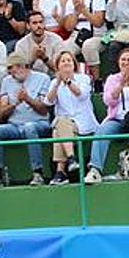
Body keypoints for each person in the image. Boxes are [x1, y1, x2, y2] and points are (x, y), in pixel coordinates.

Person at [85, 46, 129, 184]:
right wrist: (119, 86)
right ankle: (95, 170)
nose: (126, 63)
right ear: (118, 62)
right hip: (117, 119)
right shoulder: (112, 79)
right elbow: (108, 101)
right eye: (123, 60)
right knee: (102, 130)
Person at [0, 53, 51, 187]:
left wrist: (27, 99)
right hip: (14, 126)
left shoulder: (43, 79)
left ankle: (38, 173)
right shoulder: (7, 81)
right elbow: (2, 114)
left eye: (14, 68)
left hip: (39, 123)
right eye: (9, 68)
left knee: (30, 127)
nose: (11, 71)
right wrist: (15, 103)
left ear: (24, 66)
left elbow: (43, 109)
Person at [45, 49, 98, 183]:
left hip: (82, 122)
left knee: (58, 129)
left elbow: (82, 95)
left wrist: (68, 81)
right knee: (60, 124)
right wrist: (58, 83)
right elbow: (48, 101)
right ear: (58, 66)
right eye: (63, 61)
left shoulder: (83, 78)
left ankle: (61, 170)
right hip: (65, 124)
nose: (66, 63)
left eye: (69, 60)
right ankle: (69, 161)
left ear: (74, 64)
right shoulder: (54, 82)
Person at [64, 0, 106, 83]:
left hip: (96, 34)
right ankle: (73, 78)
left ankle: (97, 80)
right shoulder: (70, 1)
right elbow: (68, 27)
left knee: (88, 46)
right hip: (77, 34)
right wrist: (76, 13)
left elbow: (98, 23)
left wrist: (85, 11)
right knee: (63, 48)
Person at [14, 9, 65, 76]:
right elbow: (20, 72)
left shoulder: (56, 40)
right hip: (30, 79)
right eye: (34, 23)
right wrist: (33, 58)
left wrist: (44, 58)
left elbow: (59, 69)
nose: (39, 26)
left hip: (53, 78)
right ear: (28, 26)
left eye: (41, 22)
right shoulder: (21, 44)